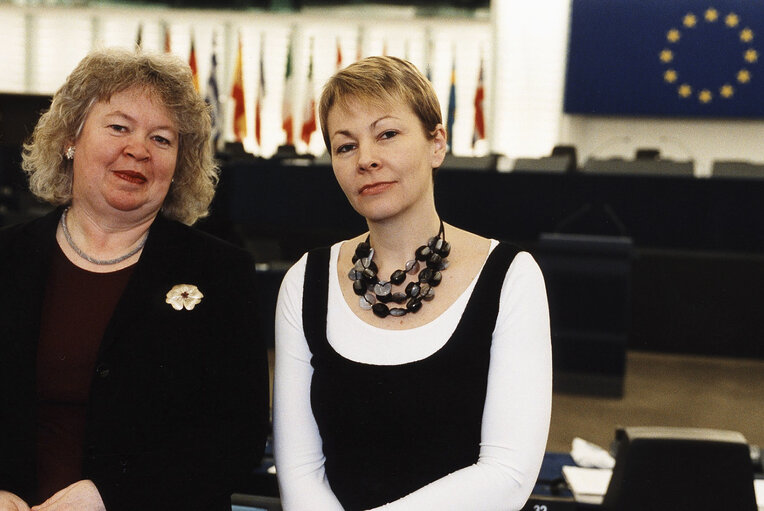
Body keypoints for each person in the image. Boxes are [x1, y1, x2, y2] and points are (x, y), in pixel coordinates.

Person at [273, 56, 552, 510]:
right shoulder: (304, 280)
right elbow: (300, 472)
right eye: (345, 146)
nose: (367, 159)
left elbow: (508, 474)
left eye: (387, 134)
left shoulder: (510, 276)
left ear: (436, 143)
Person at [0, 48, 269, 511]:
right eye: (119, 127)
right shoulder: (6, 258)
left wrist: (108, 497)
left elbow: (235, 439)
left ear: (179, 163)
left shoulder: (221, 273)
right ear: (70, 139)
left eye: (162, 139)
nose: (139, 149)